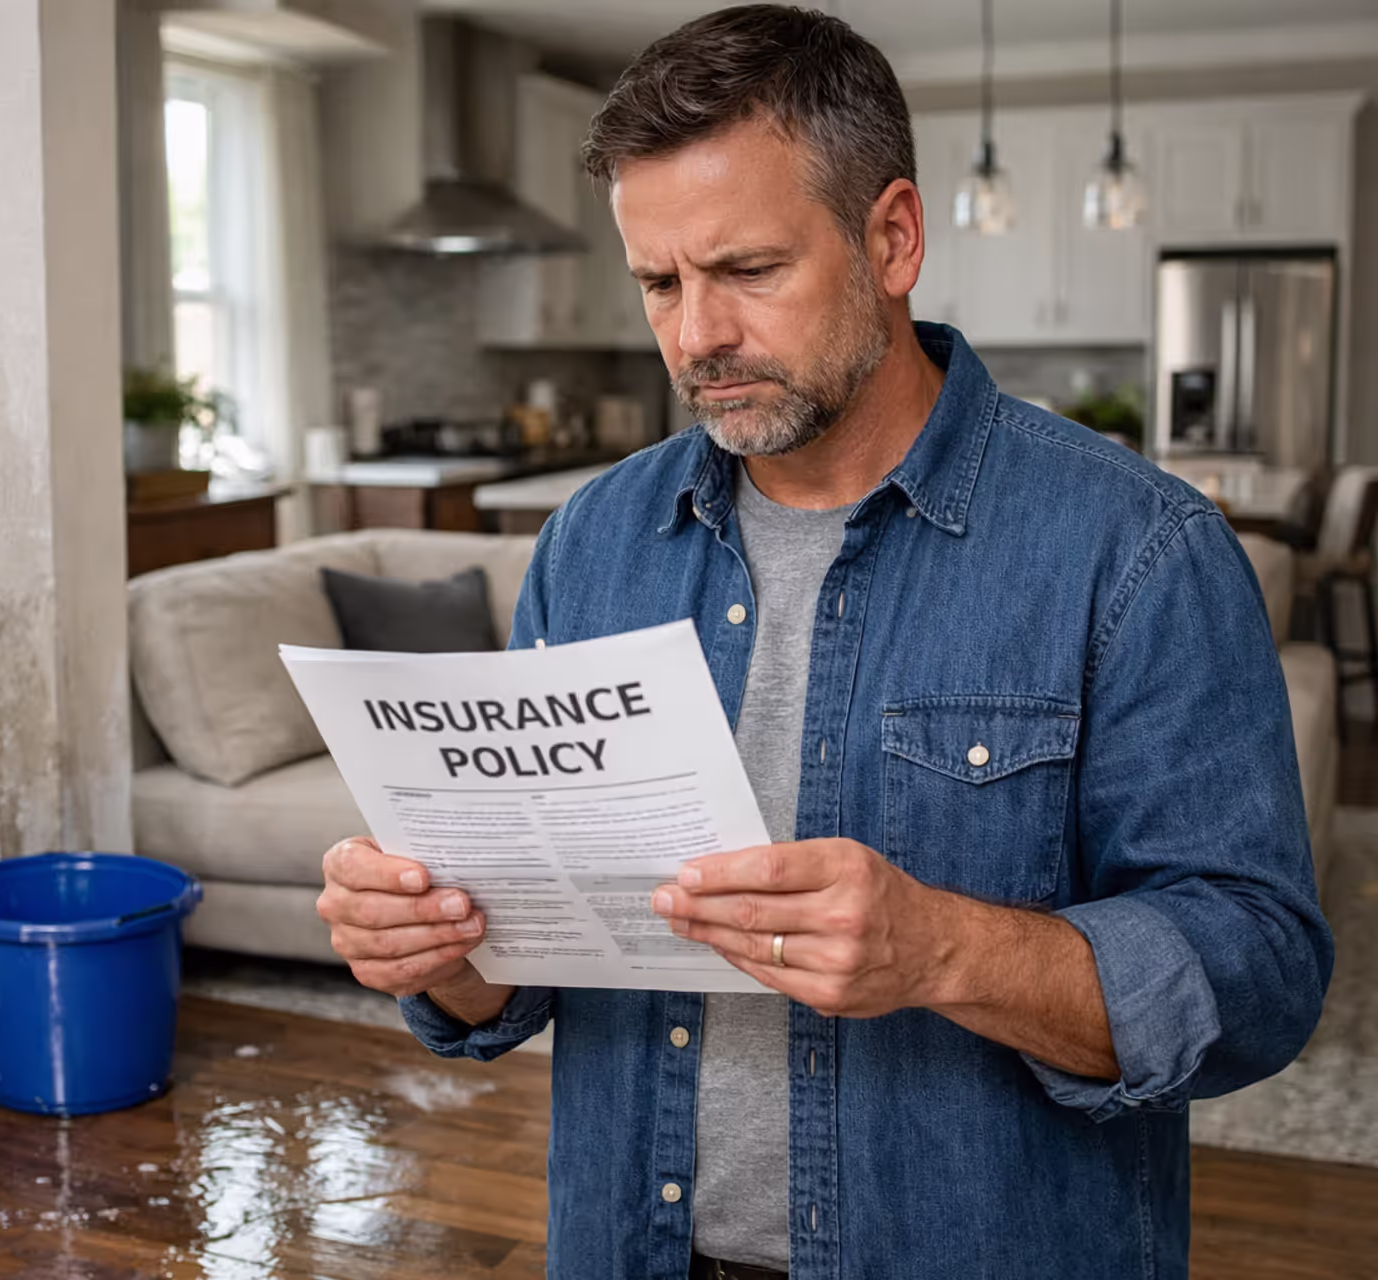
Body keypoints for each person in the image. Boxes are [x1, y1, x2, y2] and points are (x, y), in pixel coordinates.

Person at [313, 7, 1332, 1279]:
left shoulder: (1137, 551)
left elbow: (1263, 972)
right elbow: (515, 977)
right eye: (659, 282)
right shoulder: (592, 542)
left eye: (747, 270)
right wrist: (447, 953)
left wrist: (946, 947)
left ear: (892, 237)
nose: (696, 337)